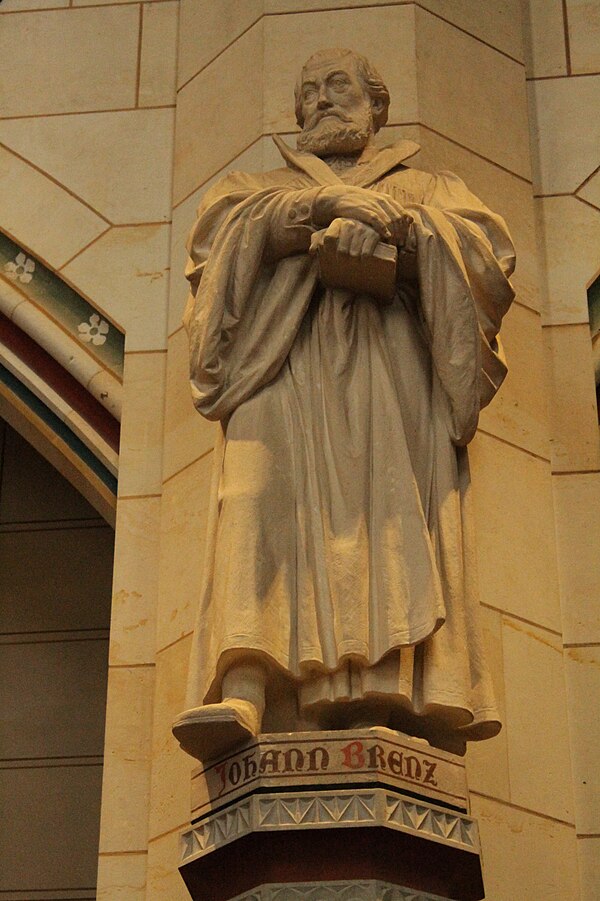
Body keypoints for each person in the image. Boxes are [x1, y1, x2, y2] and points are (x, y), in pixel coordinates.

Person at [172, 48, 515, 763]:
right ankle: (245, 683)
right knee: (253, 497)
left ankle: (379, 690)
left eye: (339, 87)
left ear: (376, 105)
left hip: (390, 383)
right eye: (308, 92)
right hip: (279, 373)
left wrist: (402, 229)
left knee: (386, 518)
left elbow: (486, 262)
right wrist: (315, 209)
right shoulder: (253, 186)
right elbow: (216, 252)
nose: (322, 101)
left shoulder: (431, 184)